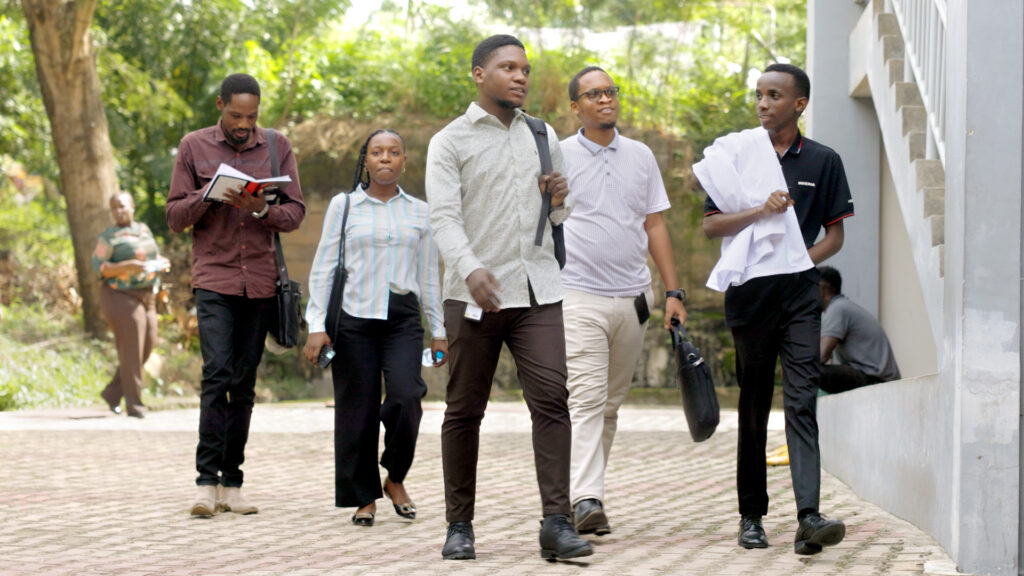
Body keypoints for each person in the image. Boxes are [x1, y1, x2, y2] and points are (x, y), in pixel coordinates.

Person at [425, 34, 592, 562]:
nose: (520, 76)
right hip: (473, 295)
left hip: (539, 291)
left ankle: (557, 524)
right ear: (479, 74)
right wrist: (470, 267)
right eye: (508, 68)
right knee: (464, 410)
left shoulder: (542, 136)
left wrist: (561, 200)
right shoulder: (449, 142)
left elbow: (558, 219)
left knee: (552, 401)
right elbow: (443, 218)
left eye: (524, 69)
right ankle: (459, 526)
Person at [699, 63, 854, 555]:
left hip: (800, 296)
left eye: (773, 95)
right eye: (759, 95)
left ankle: (809, 515)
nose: (763, 103)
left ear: (799, 104)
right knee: (753, 405)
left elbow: (835, 236)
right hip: (749, 295)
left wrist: (797, 261)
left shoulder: (824, 161)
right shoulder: (738, 155)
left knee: (802, 399)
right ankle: (751, 516)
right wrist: (759, 211)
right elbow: (711, 226)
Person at [167, 73, 305, 518]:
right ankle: (206, 483)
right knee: (217, 374)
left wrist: (262, 208)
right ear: (220, 106)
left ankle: (233, 483)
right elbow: (173, 215)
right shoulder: (193, 146)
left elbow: (295, 212)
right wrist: (211, 195)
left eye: (252, 116)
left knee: (243, 384)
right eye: (236, 115)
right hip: (215, 278)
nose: (245, 124)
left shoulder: (277, 145)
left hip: (261, 281)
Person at [559, 66, 687, 536]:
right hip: (577, 294)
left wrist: (673, 291)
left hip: (634, 297)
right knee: (588, 398)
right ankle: (586, 497)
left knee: (611, 403)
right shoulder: (558, 154)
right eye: (593, 95)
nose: (605, 100)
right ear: (576, 107)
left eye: (610, 91)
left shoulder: (641, 155)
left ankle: (585, 492)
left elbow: (654, 224)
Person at [302, 129, 447, 527]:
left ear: (404, 162)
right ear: (365, 161)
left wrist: (439, 330)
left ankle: (394, 476)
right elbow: (324, 268)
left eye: (393, 152)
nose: (385, 158)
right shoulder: (344, 206)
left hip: (402, 319)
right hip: (353, 319)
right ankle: (363, 497)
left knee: (406, 397)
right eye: (377, 152)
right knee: (356, 410)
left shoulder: (421, 211)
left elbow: (429, 276)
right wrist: (316, 325)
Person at [92, 192, 169, 418]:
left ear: (133, 207)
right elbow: (99, 268)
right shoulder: (108, 237)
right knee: (132, 348)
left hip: (147, 295)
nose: (119, 211)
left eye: (122, 206)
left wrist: (161, 263)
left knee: (147, 346)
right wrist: (128, 266)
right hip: (119, 295)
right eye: (114, 208)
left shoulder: (144, 230)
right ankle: (134, 404)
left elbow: (151, 254)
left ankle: (112, 393)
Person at [818, 266, 900, 392]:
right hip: (877, 377)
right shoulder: (842, 306)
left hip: (876, 380)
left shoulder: (837, 309)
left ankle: (801, 411)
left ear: (822, 290)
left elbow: (822, 356)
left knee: (808, 370)